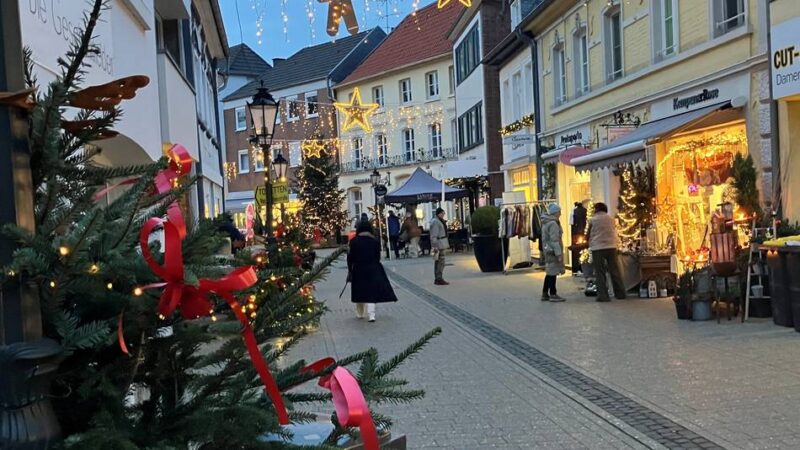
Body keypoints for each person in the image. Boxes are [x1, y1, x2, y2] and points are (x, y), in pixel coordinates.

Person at [347, 220, 398, 322]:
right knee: (371, 292)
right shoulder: (374, 241)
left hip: (358, 269)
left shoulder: (354, 241)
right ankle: (372, 315)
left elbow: (350, 258)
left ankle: (360, 313)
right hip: (373, 268)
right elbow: (377, 257)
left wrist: (350, 270)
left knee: (359, 291)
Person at [587, 202, 626, 302]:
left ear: (596, 209)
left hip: (598, 247)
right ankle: (620, 293)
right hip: (611, 246)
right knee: (614, 270)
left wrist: (588, 242)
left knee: (600, 272)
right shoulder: (611, 219)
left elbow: (588, 234)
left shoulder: (593, 220)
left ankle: (603, 296)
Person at [541, 203, 566, 302]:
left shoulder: (546, 222)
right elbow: (554, 240)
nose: (560, 213)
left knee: (550, 271)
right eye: (559, 211)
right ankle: (553, 294)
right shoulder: (553, 224)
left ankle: (545, 293)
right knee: (553, 272)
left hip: (547, 249)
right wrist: (558, 253)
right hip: (552, 251)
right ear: (555, 212)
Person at [430, 208, 450, 285]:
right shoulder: (436, 222)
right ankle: (439, 278)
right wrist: (435, 246)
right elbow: (434, 235)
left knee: (439, 261)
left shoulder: (439, 221)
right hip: (439, 244)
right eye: (443, 213)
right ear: (439, 213)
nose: (443, 215)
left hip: (441, 243)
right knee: (440, 261)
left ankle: (438, 278)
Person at [570, 201, 588, 275]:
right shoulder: (586, 211)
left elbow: (571, 223)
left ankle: (576, 268)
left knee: (576, 251)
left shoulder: (573, 211)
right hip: (584, 233)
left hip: (576, 234)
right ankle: (582, 268)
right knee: (583, 250)